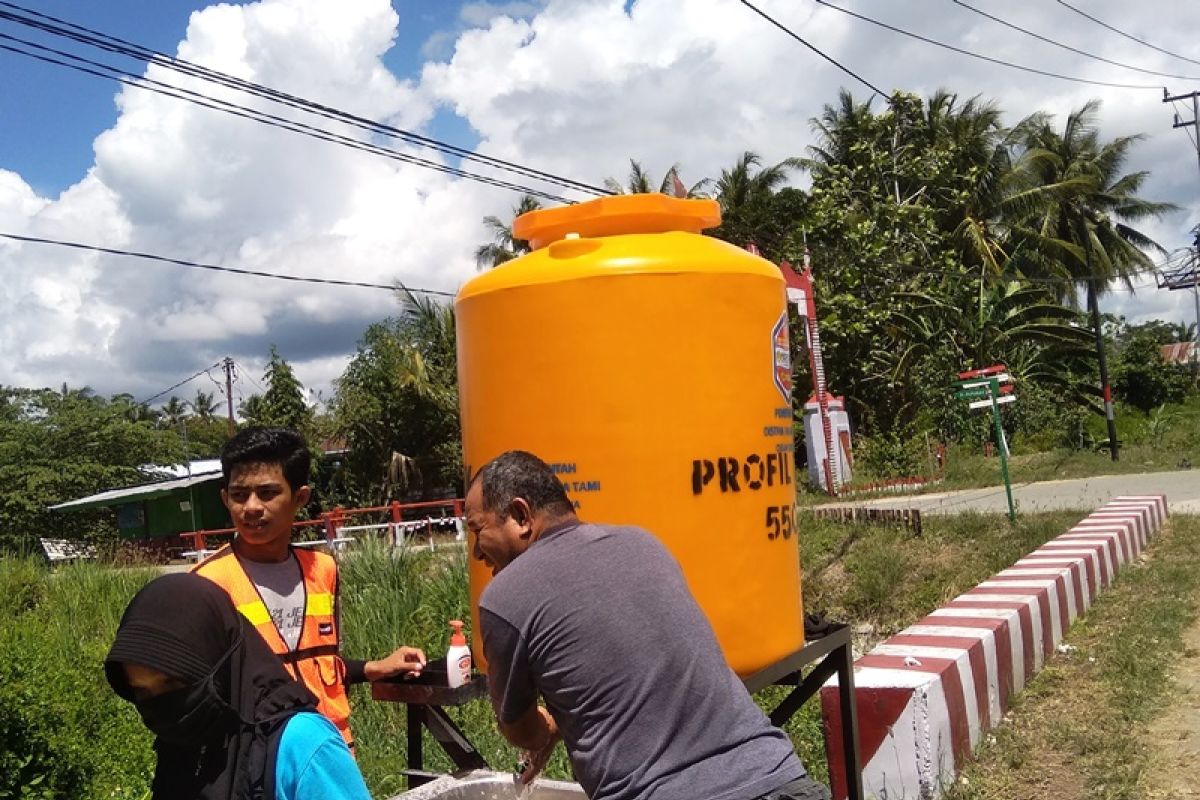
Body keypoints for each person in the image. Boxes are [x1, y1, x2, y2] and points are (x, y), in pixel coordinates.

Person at [467, 450, 830, 800]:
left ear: (520, 515)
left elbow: (522, 730)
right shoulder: (644, 544)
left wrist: (548, 727)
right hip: (780, 777)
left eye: (477, 530)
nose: (476, 553)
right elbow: (635, 679)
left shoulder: (506, 596)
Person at [192, 426, 425, 748]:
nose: (251, 507)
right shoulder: (205, 582)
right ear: (224, 499)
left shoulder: (323, 569)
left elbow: (319, 663)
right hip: (259, 761)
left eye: (268, 493)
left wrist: (375, 668)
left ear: (300, 497)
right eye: (239, 495)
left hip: (332, 751)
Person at [105, 572, 372, 800]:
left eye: (173, 682)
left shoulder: (301, 745)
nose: (162, 705)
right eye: (142, 692)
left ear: (218, 662)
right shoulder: (185, 743)